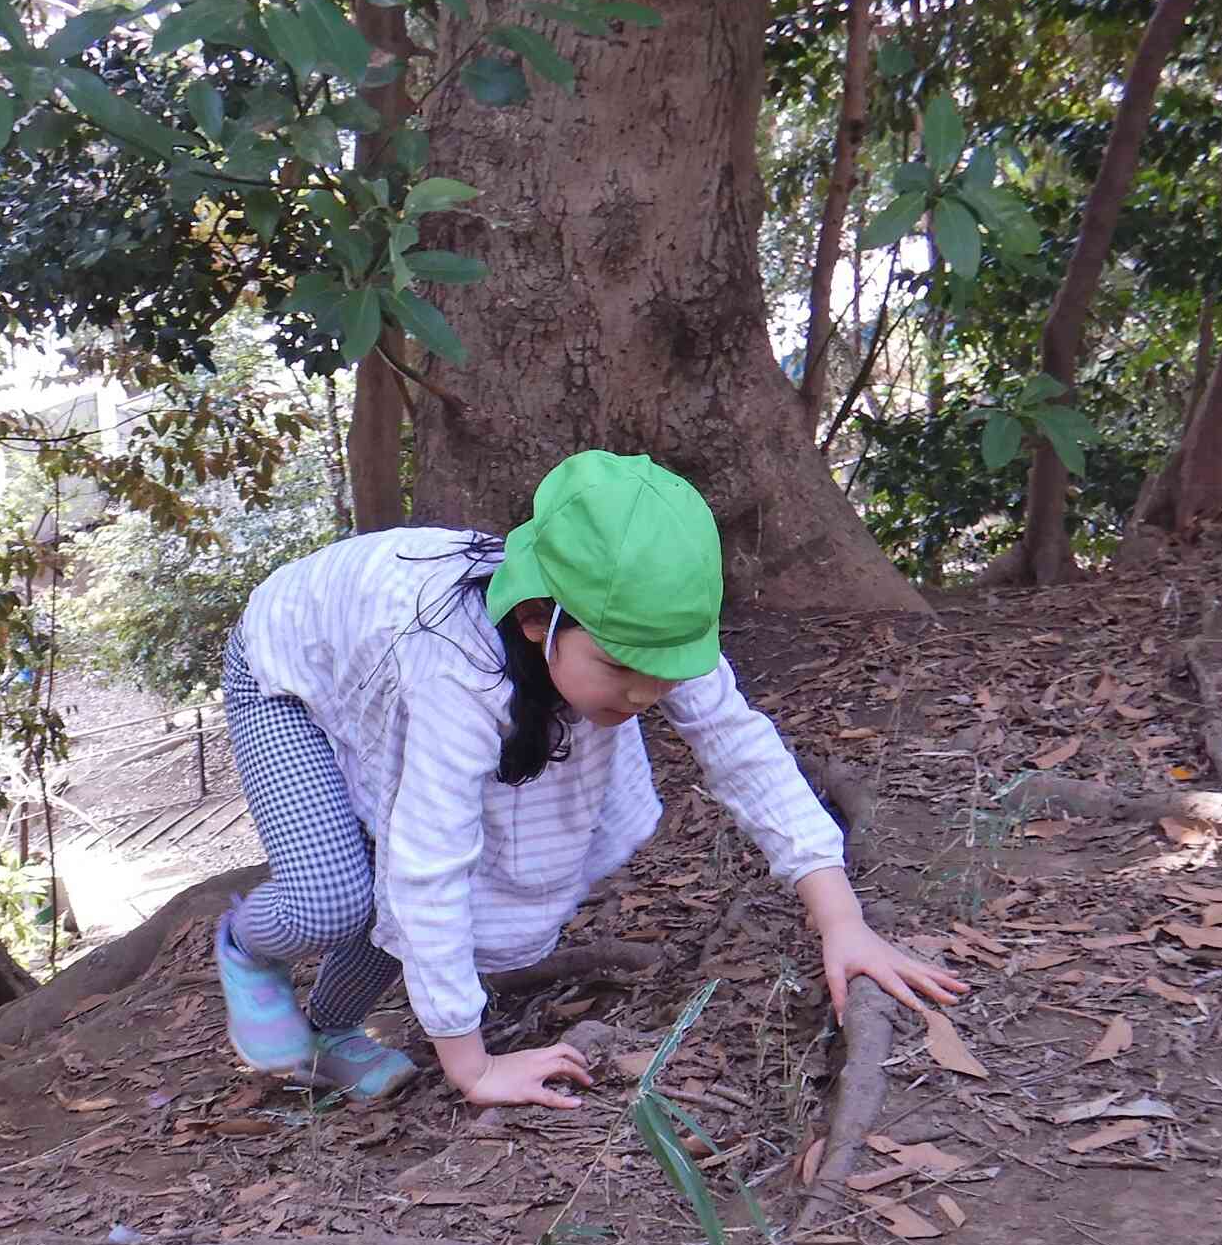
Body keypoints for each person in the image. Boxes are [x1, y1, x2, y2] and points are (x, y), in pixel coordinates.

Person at [216, 451, 962, 1106]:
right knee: (336, 895)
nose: (644, 696)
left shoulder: (647, 631)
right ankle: (248, 949)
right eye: (620, 672)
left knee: (389, 881)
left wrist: (843, 923)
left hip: (403, 669)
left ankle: (331, 1030)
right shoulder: (456, 675)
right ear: (541, 619)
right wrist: (473, 1070)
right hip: (285, 671)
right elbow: (428, 865)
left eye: (663, 675)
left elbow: (742, 748)